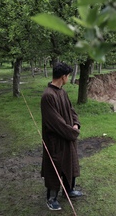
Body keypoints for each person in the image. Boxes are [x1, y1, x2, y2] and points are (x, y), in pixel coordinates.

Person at [41, 62, 82, 211]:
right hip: (55, 140)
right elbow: (55, 122)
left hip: (68, 137)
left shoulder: (62, 92)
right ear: (64, 76)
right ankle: (51, 198)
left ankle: (69, 191)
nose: (69, 78)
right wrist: (72, 133)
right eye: (69, 76)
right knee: (55, 167)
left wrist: (76, 124)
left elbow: (72, 111)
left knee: (70, 162)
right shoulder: (48, 96)